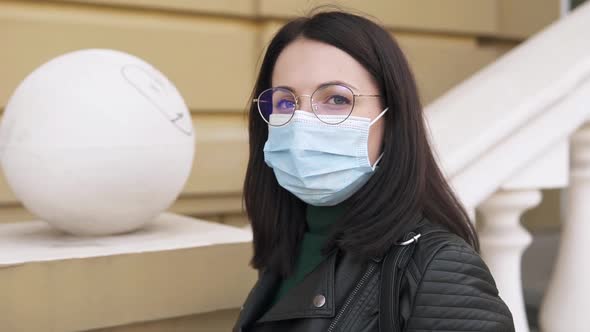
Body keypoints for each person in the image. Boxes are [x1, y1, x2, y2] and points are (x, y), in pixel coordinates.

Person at [233, 9, 515, 332]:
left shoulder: (437, 268)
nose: (301, 123)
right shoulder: (287, 251)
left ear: (391, 118)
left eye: (337, 99)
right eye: (285, 103)